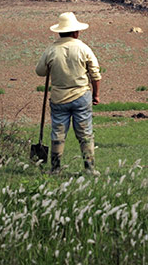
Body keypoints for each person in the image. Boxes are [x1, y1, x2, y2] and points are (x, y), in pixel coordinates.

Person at [36, 12, 101, 175]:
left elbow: (40, 72)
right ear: (75, 32)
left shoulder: (51, 49)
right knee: (85, 133)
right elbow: (95, 74)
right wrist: (96, 95)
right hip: (81, 96)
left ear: (60, 31)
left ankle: (55, 169)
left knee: (58, 132)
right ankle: (90, 169)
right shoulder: (83, 48)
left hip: (59, 98)